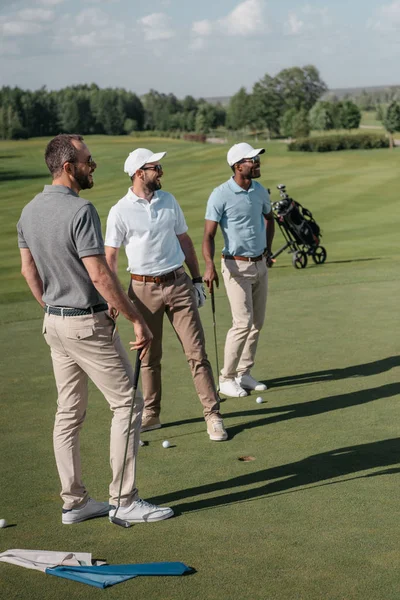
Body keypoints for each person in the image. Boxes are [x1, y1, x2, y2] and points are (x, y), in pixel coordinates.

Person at [17, 134, 173, 525]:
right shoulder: (81, 210)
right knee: (127, 404)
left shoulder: (28, 212)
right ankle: (124, 500)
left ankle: (74, 502)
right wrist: (137, 318)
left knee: (68, 412)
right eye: (88, 160)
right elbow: (100, 274)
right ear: (68, 167)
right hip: (86, 323)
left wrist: (51, 308)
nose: (93, 166)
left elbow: (28, 271)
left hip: (54, 323)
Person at [104, 147, 227, 442]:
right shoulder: (120, 210)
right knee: (149, 356)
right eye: (155, 167)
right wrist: (112, 298)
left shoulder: (168, 200)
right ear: (138, 173)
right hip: (141, 290)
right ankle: (152, 414)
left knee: (197, 353)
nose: (160, 172)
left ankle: (213, 414)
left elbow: (184, 240)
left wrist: (196, 280)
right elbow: (110, 258)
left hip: (179, 283)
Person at [202, 142, 275, 398]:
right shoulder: (220, 194)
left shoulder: (259, 191)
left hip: (259, 263)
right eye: (252, 160)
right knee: (242, 323)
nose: (257, 163)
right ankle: (226, 378)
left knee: (257, 323)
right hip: (234, 265)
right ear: (237, 165)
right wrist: (209, 266)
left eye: (256, 159)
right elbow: (208, 235)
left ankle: (244, 373)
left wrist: (268, 250)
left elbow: (269, 218)